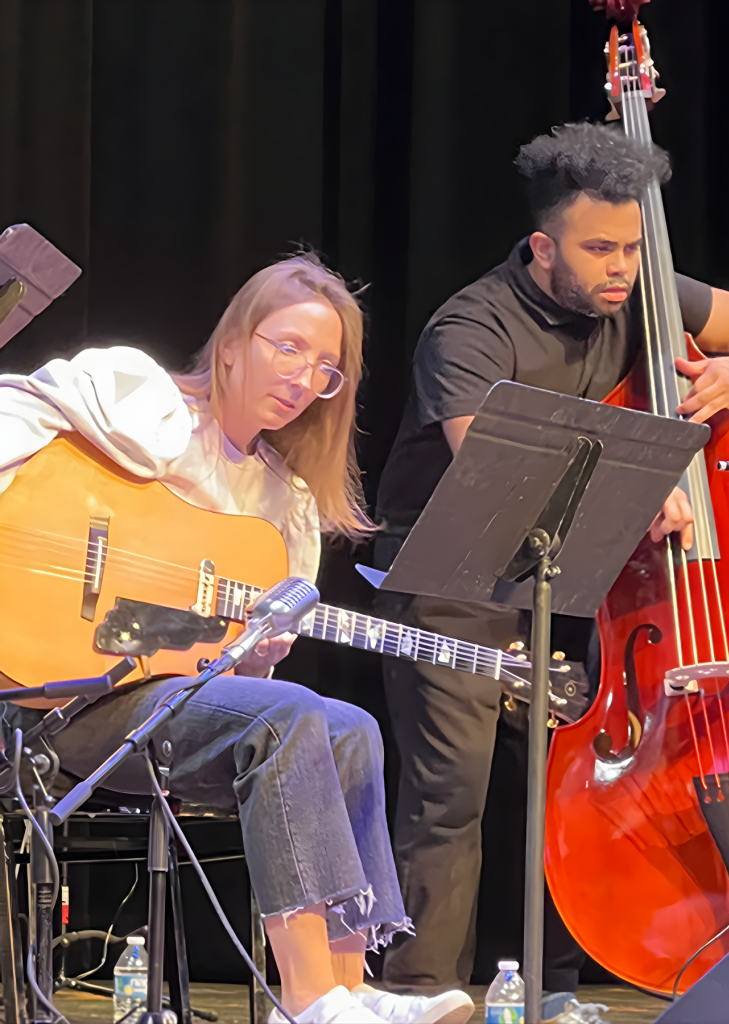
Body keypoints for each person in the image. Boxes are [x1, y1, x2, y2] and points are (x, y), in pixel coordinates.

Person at [0, 254, 475, 1024]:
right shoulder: (144, 406)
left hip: (169, 703)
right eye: (287, 347)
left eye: (325, 368)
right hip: (60, 697)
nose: (302, 376)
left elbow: (215, 663)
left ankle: (348, 989)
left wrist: (253, 652)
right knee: (285, 718)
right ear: (232, 343)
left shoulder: (284, 503)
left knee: (351, 726)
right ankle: (308, 997)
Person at [374, 122, 729, 995]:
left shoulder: (636, 292)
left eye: (631, 247)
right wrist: (629, 494)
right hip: (452, 581)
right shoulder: (469, 328)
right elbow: (498, 469)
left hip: (570, 574)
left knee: (558, 798)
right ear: (545, 245)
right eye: (600, 250)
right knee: (452, 799)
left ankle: (549, 994)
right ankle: (414, 996)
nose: (622, 268)